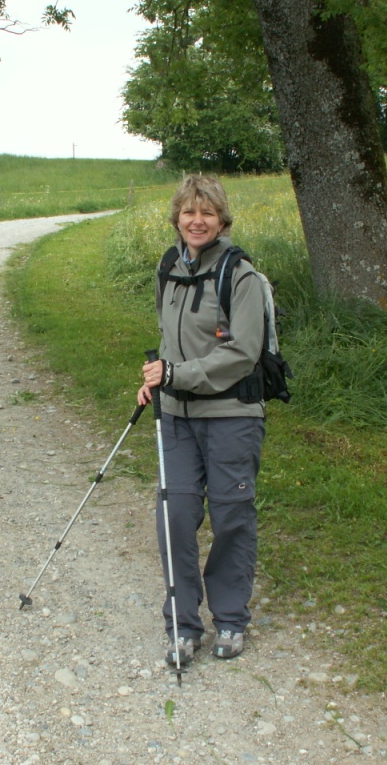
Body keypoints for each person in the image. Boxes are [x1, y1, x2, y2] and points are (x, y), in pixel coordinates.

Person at [138, 174, 266, 665]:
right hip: (176, 415)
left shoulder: (241, 276)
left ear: (222, 220)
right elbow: (169, 340)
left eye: (207, 213)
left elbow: (243, 353)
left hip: (232, 414)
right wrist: (158, 378)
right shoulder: (168, 268)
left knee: (231, 515)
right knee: (174, 515)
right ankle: (182, 626)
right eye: (189, 212)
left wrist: (177, 373)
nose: (197, 221)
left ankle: (230, 619)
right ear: (177, 218)